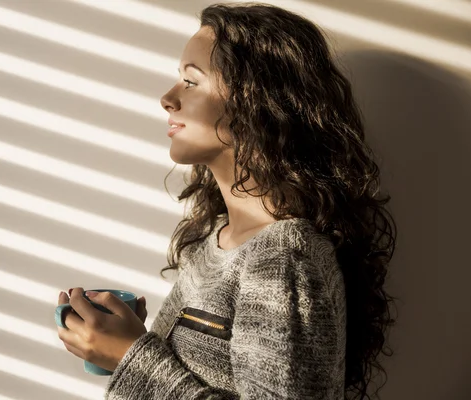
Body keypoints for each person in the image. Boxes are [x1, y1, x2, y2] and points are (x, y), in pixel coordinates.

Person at [57, 3, 397, 399]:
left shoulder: (284, 257)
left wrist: (131, 356)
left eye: (191, 81)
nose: (168, 98)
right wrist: (128, 344)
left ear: (256, 101)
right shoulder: (216, 240)